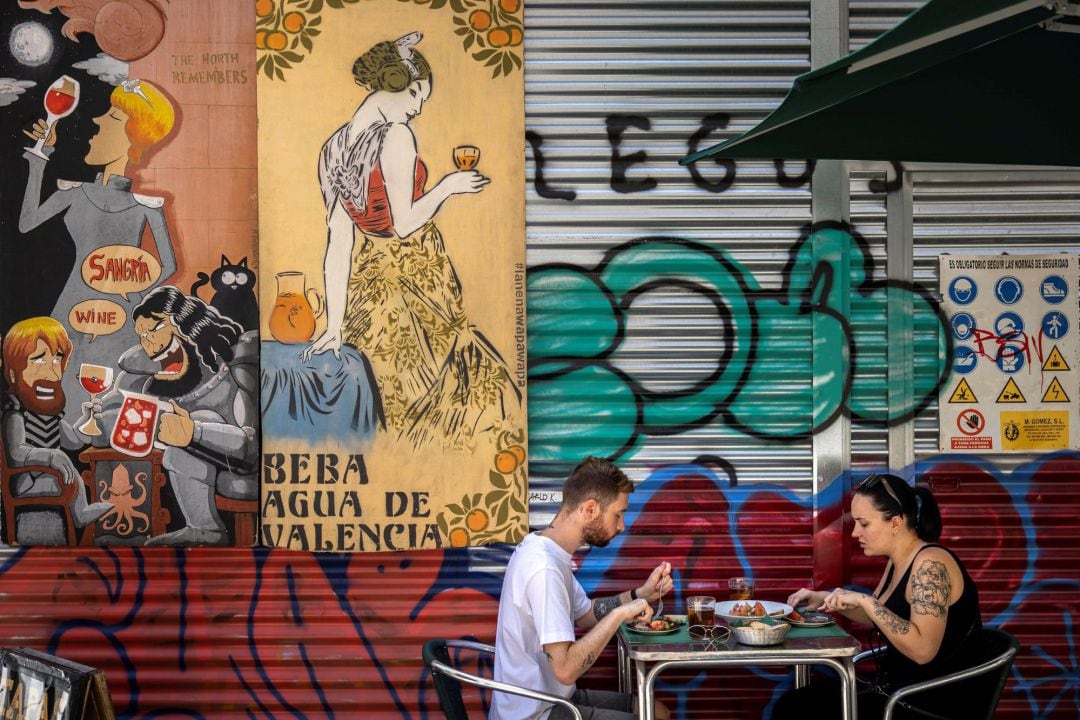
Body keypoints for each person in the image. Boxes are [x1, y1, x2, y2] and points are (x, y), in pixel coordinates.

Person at [304, 32, 520, 450]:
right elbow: (404, 224)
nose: (420, 107)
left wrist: (334, 325)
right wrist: (447, 187)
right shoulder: (397, 135)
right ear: (396, 84)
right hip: (417, 273)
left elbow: (339, 243)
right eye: (419, 94)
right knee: (457, 385)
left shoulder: (332, 148)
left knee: (392, 389)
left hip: (369, 287)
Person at [20, 78, 178, 420]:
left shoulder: (146, 205)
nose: (96, 121)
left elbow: (168, 264)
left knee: (114, 387)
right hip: (72, 306)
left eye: (112, 117)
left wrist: (133, 289)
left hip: (121, 315)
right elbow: (27, 222)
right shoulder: (76, 192)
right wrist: (40, 158)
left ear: (134, 137)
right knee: (65, 375)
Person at [774, 473, 983, 720]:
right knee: (794, 704)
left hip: (927, 702)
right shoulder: (899, 562)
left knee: (797, 711)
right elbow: (882, 618)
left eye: (864, 523)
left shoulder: (930, 565)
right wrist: (825, 599)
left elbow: (923, 650)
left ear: (895, 523)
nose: (854, 533)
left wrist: (866, 601)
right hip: (895, 690)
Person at [491, 457, 672, 720]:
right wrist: (619, 615)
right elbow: (565, 670)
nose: (622, 526)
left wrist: (640, 595)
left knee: (657, 712)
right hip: (536, 713)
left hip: (556, 697)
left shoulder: (546, 551)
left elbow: (586, 614)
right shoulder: (544, 569)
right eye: (618, 514)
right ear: (589, 509)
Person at [91, 286, 258, 546]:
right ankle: (203, 528)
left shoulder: (235, 372)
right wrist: (103, 420)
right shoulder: (148, 384)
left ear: (186, 326)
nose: (149, 341)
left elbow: (251, 447)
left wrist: (195, 431)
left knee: (201, 422)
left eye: (155, 328)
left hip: (245, 470)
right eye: (142, 335)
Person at [2, 317, 111, 543]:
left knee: (69, 475)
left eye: (57, 361)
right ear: (13, 373)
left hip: (47, 477)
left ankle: (81, 512)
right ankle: (81, 513)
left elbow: (73, 440)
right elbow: (17, 453)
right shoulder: (15, 412)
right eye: (39, 360)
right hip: (27, 482)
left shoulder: (49, 414)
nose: (53, 373)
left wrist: (87, 419)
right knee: (65, 477)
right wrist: (51, 455)